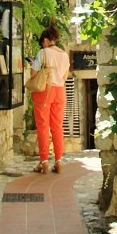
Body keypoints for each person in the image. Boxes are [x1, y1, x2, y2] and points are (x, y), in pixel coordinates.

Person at [29, 22, 71, 173]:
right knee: (57, 126)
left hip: (45, 91)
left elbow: (33, 74)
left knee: (43, 126)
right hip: (60, 91)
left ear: (46, 40)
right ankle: (59, 161)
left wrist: (33, 65)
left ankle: (44, 161)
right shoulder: (65, 55)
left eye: (42, 43)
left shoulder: (44, 53)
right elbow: (65, 76)